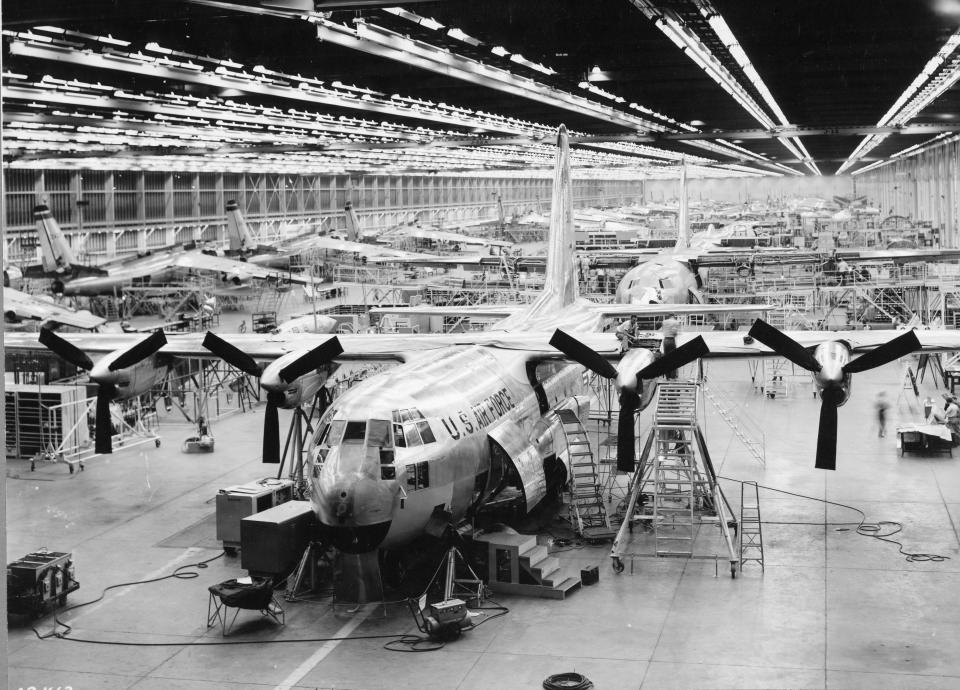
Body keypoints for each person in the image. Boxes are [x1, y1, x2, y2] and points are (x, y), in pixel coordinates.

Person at [661, 313, 680, 379]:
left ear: (668, 316)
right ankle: (673, 376)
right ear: (674, 316)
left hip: (665, 340)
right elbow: (674, 332)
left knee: (666, 358)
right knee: (673, 358)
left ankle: (667, 376)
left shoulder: (664, 322)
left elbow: (663, 330)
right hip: (671, 340)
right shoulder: (675, 322)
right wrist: (677, 334)